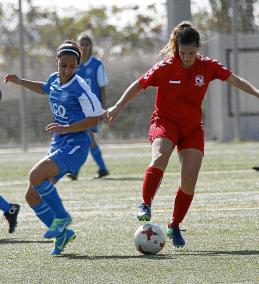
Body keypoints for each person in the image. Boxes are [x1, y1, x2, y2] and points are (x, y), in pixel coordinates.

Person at [105, 21, 259, 248]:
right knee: (160, 157)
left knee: (189, 178)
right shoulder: (165, 68)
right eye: (183, 53)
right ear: (177, 48)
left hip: (192, 128)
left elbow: (235, 80)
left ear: (198, 48)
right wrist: (117, 107)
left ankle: (174, 225)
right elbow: (138, 85)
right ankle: (145, 204)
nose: (187, 58)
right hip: (165, 123)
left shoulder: (208, 66)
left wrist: (257, 93)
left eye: (192, 53)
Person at [4, 40, 104, 255]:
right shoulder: (54, 79)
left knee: (35, 174)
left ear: (77, 66)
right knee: (32, 197)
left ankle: (62, 217)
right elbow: (44, 87)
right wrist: (20, 81)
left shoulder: (80, 87)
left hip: (76, 146)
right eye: (63, 65)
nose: (67, 70)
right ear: (56, 62)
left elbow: (96, 119)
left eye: (72, 66)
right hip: (60, 143)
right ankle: (62, 234)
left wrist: (67, 128)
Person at [67, 33, 109, 180]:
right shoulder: (73, 65)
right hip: (77, 110)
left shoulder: (97, 65)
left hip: (91, 109)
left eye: (87, 44)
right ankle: (97, 169)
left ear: (91, 46)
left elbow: (102, 88)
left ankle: (77, 170)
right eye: (82, 44)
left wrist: (102, 109)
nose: (84, 47)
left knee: (87, 138)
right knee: (83, 139)